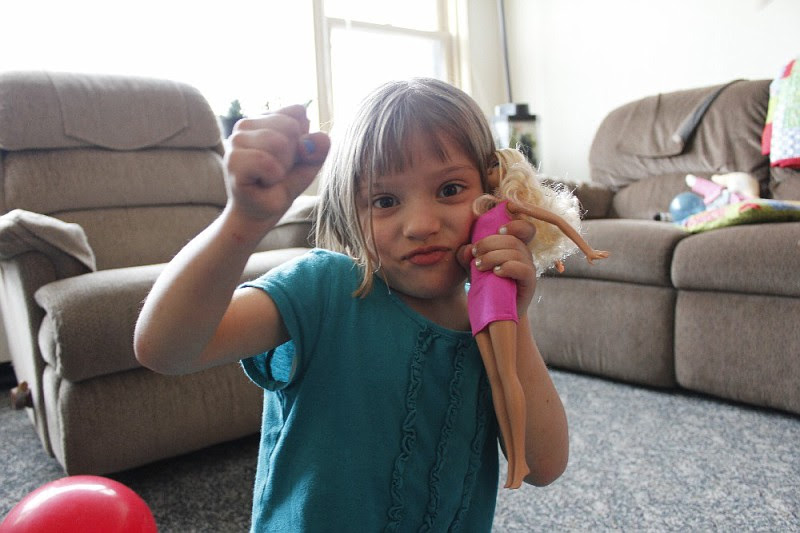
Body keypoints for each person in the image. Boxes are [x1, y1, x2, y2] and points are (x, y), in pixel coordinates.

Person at [134, 78, 569, 532]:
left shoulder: (486, 326)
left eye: (449, 190)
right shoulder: (325, 289)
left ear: (493, 193)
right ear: (348, 213)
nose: (421, 224)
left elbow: (543, 466)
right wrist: (242, 221)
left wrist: (511, 313)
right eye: (385, 200)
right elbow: (165, 349)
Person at [469, 148, 609, 489]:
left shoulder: (510, 207)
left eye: (449, 190)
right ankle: (517, 460)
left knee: (506, 376)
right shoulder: (483, 209)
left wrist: (586, 250)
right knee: (498, 377)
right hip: (478, 297)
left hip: (499, 293)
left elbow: (556, 220)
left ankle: (518, 461)